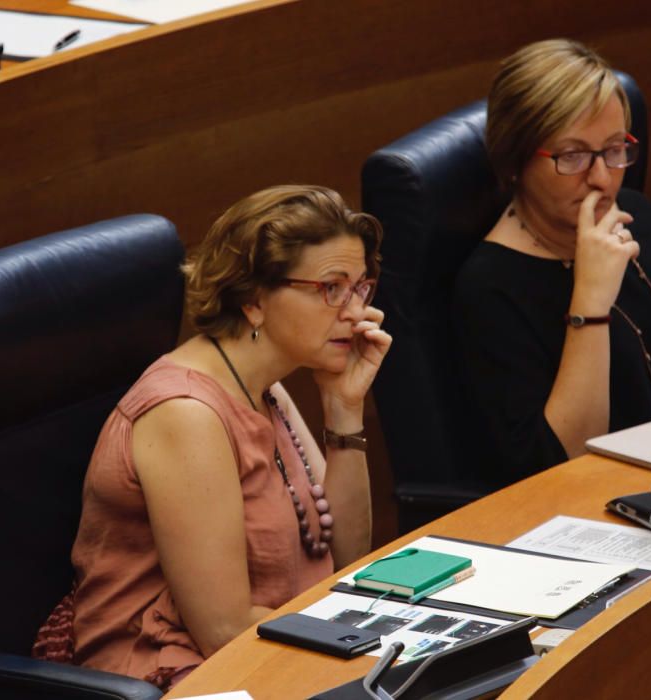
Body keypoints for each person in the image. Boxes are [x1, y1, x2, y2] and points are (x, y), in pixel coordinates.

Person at [33, 185, 391, 689]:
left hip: (288, 647)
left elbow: (343, 559)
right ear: (252, 300)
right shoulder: (187, 416)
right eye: (331, 288)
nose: (355, 313)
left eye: (360, 288)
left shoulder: (267, 388)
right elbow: (221, 632)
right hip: (176, 674)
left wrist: (344, 407)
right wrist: (366, 651)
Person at [452, 39, 651, 489]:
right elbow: (553, 469)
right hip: (614, 511)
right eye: (572, 156)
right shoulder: (489, 288)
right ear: (514, 160)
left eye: (614, 149)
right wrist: (590, 300)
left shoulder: (639, 216)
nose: (602, 178)